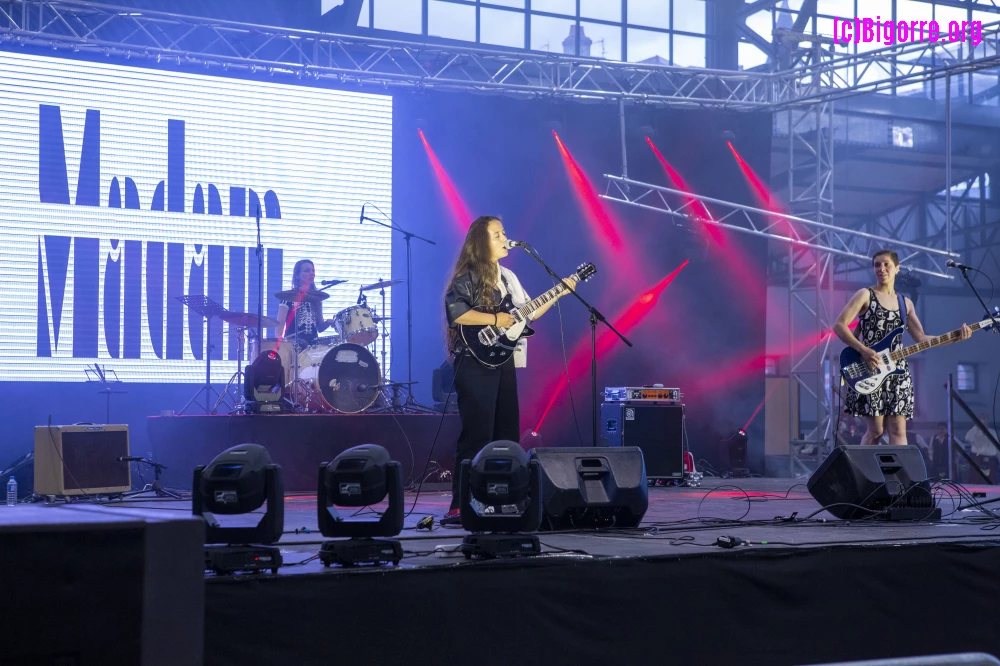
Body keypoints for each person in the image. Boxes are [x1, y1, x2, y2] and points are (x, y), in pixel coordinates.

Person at [440, 216, 576, 525]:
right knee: (477, 435)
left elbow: (528, 313)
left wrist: (560, 292)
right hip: (473, 361)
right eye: (497, 234)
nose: (505, 238)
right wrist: (494, 320)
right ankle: (460, 504)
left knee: (506, 434)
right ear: (481, 242)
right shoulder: (469, 274)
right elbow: (456, 313)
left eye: (504, 233)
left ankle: (501, 498)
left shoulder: (509, 277)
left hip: (503, 360)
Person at [833, 249, 971, 447]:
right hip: (870, 369)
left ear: (897, 269)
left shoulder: (905, 303)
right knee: (876, 431)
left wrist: (955, 337)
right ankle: (862, 476)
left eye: (886, 264)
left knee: (899, 430)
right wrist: (864, 350)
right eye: (877, 265)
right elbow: (839, 325)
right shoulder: (865, 295)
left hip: (898, 373)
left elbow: (921, 338)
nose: (881, 269)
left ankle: (900, 478)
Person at [275, 259, 337, 346]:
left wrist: (328, 322)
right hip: (294, 344)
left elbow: (319, 327)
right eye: (307, 271)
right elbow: (280, 323)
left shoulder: (317, 298)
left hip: (313, 345)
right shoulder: (288, 297)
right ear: (297, 275)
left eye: (313, 270)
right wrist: (280, 345)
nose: (311, 273)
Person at [965, 413, 999, 483]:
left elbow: (997, 448)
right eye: (980, 418)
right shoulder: (973, 432)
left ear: (987, 420)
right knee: (975, 481)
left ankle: (990, 494)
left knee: (990, 481)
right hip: (977, 459)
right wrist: (976, 427)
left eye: (984, 418)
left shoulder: (993, 432)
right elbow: (967, 438)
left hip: (990, 460)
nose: (982, 420)